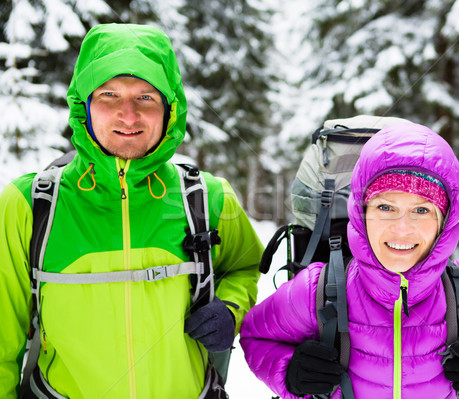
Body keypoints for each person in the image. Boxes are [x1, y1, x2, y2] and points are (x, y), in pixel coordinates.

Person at [0, 23, 263, 399]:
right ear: (83, 105)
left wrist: (231, 308)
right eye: (109, 94)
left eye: (146, 98)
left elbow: (244, 266)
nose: (128, 115)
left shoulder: (209, 198)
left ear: (170, 111)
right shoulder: (29, 204)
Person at [240, 120, 459, 398]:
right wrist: (289, 372)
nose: (402, 228)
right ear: (361, 212)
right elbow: (256, 336)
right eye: (385, 207)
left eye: (422, 210)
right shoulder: (315, 289)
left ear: (445, 221)